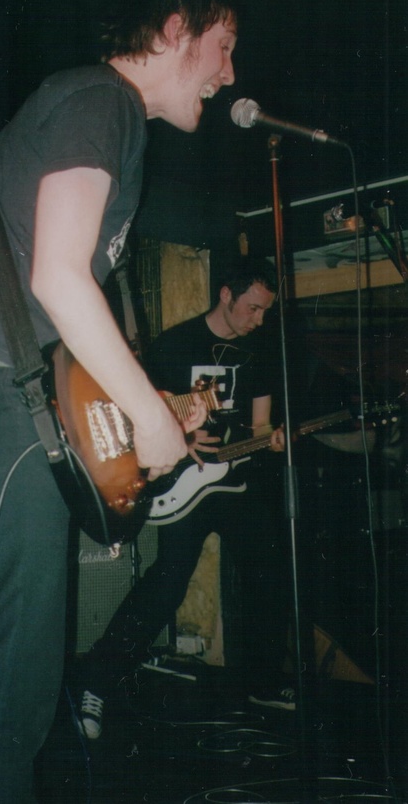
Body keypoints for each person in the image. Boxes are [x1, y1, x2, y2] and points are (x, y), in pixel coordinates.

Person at [0, 0, 240, 802]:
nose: (230, 73)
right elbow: (58, 276)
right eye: (224, 46)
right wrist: (151, 422)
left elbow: (62, 314)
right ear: (175, 32)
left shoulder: (89, 107)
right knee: (6, 704)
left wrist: (150, 408)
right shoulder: (104, 101)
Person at [76, 257, 291, 741]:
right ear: (226, 295)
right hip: (184, 482)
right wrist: (181, 439)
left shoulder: (257, 352)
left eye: (265, 311)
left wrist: (271, 439)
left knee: (269, 569)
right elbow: (138, 416)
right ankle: (97, 680)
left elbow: (260, 425)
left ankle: (263, 682)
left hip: (233, 481)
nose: (259, 320)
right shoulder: (174, 345)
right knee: (168, 583)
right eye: (253, 308)